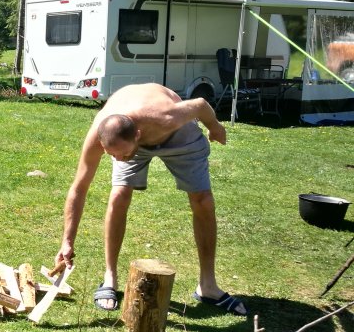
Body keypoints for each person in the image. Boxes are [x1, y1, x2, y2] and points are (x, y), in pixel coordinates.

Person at [56, 83, 247, 316]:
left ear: (137, 134)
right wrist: (67, 241)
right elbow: (79, 188)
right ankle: (110, 277)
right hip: (127, 136)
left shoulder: (166, 116)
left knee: (203, 201)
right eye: (113, 155)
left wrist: (215, 127)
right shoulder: (103, 134)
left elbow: (200, 104)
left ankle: (208, 286)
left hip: (177, 134)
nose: (119, 159)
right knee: (118, 195)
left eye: (122, 155)